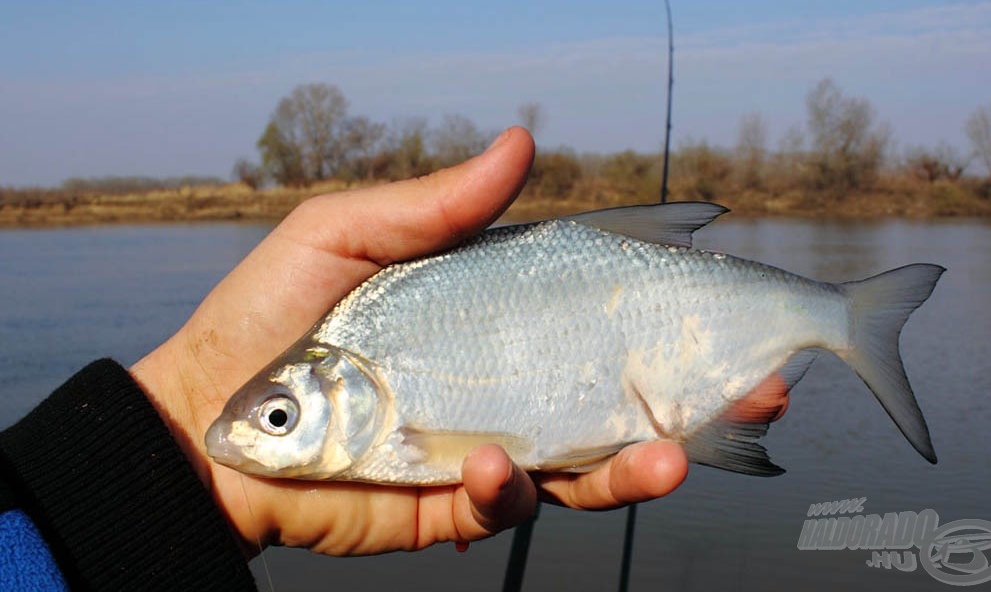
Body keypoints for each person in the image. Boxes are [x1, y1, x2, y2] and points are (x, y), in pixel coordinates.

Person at [0, 127, 789, 590]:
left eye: (278, 417)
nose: (256, 430)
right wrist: (188, 467)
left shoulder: (364, 328)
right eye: (280, 416)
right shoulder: (352, 334)